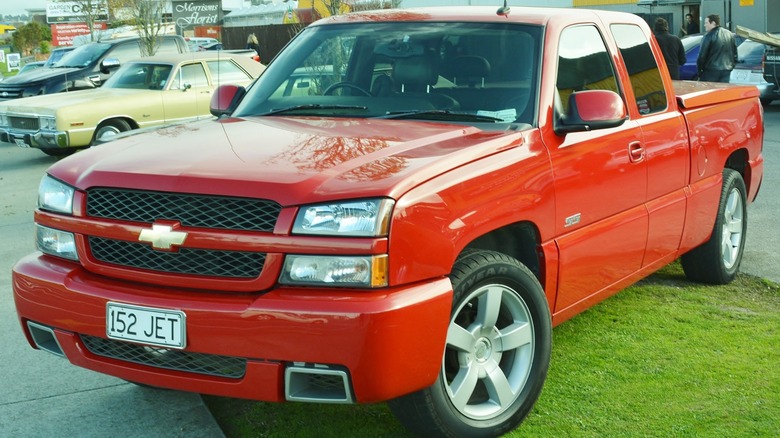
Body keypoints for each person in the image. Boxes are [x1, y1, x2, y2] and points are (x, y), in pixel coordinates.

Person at [696, 14, 737, 82]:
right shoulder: (730, 34)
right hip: (726, 70)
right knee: (723, 91)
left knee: (710, 91)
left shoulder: (708, 36)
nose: (704, 25)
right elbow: (735, 53)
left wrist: (700, 72)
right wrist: (732, 66)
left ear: (713, 23)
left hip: (711, 71)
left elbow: (702, 56)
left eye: (706, 23)